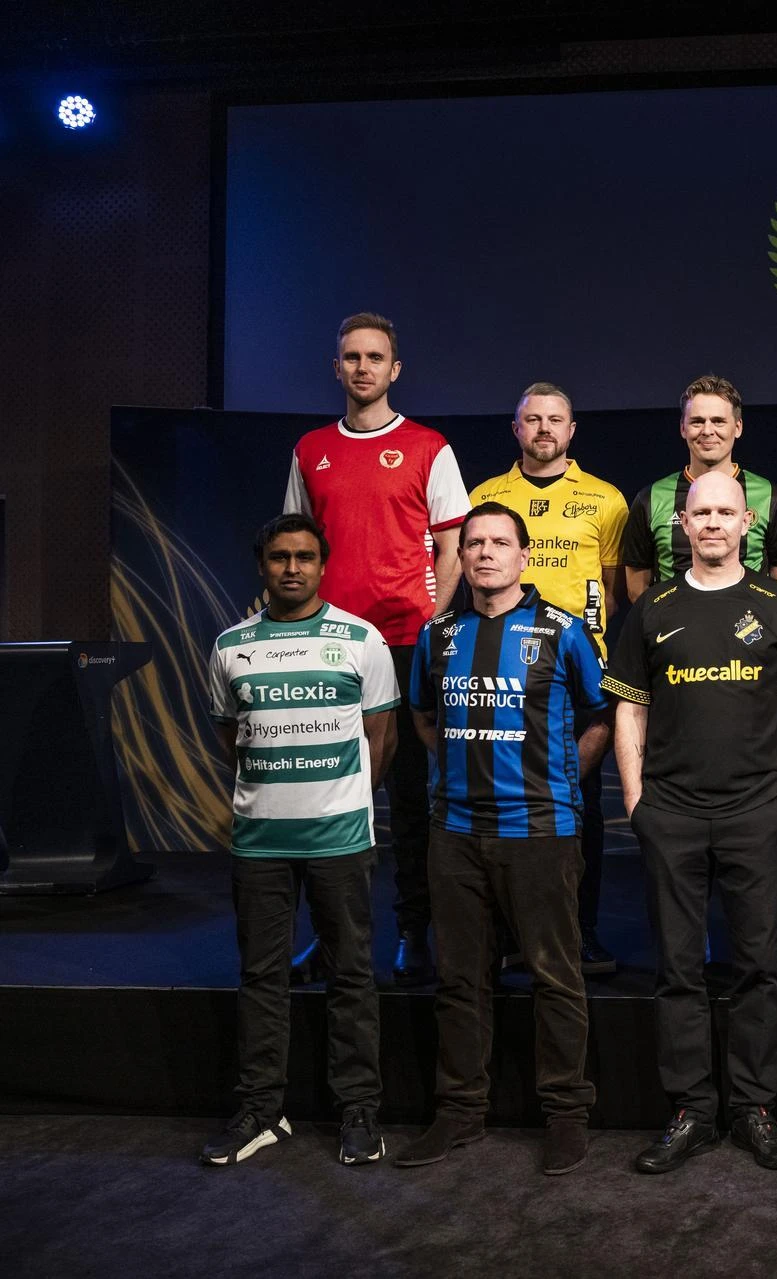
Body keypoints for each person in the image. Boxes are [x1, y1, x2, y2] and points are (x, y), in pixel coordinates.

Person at [604, 471, 777, 1175]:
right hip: (671, 813)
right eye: (702, 513)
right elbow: (630, 707)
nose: (714, 523)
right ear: (686, 524)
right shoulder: (653, 606)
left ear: (747, 523)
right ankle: (692, 1110)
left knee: (759, 967)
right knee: (678, 968)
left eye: (727, 512)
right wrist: (636, 799)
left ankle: (753, 1108)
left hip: (755, 811)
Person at [396, 503, 611, 1178]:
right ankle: (459, 1111)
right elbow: (422, 716)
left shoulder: (562, 631)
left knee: (555, 975)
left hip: (540, 831)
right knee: (460, 978)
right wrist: (454, 771)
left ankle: (566, 1116)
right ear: (459, 557)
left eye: (499, 542)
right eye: (474, 543)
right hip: (455, 833)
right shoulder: (438, 635)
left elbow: (600, 715)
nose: (485, 552)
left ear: (524, 556)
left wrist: (560, 779)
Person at [200, 514, 397, 1168]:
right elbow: (231, 738)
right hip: (259, 842)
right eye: (280, 557)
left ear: (322, 564)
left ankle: (359, 1110)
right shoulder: (230, 646)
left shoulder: (362, 639)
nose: (292, 568)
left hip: (341, 837)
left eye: (304, 557)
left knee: (351, 975)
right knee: (261, 976)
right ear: (262, 565)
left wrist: (343, 797)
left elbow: (381, 738)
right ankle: (261, 1110)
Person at [285, 311, 469, 986]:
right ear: (336, 367)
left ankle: (415, 932)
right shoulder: (310, 449)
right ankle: (333, 939)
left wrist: (432, 627)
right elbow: (296, 546)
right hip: (329, 647)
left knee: (411, 800)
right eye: (351, 357)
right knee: (329, 797)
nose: (362, 367)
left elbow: (452, 548)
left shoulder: (428, 447)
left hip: (405, 645)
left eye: (374, 357)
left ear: (395, 369)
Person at [469, 382, 630, 975]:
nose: (543, 429)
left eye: (555, 419)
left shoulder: (606, 499)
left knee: (579, 805)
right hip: (501, 668)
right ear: (516, 428)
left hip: (575, 671)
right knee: (502, 804)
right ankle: (509, 936)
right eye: (532, 419)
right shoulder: (487, 495)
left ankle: (581, 933)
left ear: (571, 430)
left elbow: (612, 591)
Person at [620, 374, 777, 599]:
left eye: (718, 421)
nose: (707, 431)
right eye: (697, 421)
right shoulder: (651, 498)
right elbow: (637, 590)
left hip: (749, 620)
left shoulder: (771, 496)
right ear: (683, 428)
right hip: (675, 620)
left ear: (738, 427)